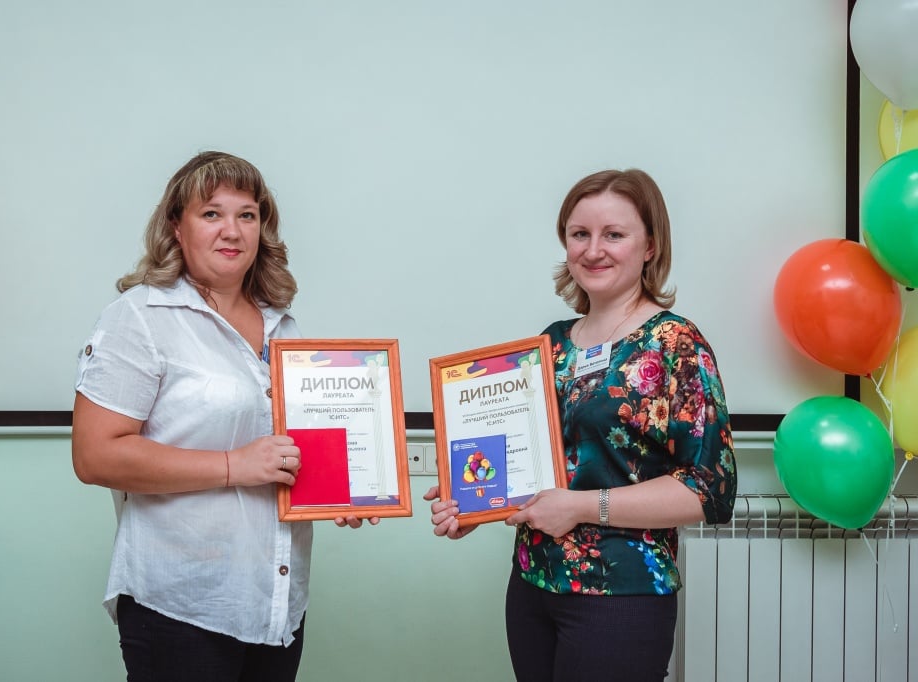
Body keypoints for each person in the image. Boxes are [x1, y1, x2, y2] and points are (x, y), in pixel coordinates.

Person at [71, 151, 372, 682]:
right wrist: (235, 465)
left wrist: (340, 489)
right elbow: (95, 456)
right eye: (211, 213)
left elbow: (290, 447)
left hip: (276, 602)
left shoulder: (284, 327)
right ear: (176, 226)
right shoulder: (140, 318)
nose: (232, 230)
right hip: (182, 603)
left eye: (247, 215)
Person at [427, 168, 737, 682]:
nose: (593, 250)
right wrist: (473, 500)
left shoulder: (675, 344)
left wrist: (580, 506)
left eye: (613, 234)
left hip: (620, 595)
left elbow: (710, 490)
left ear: (650, 246)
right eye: (580, 234)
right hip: (532, 585)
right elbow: (529, 464)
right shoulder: (551, 344)